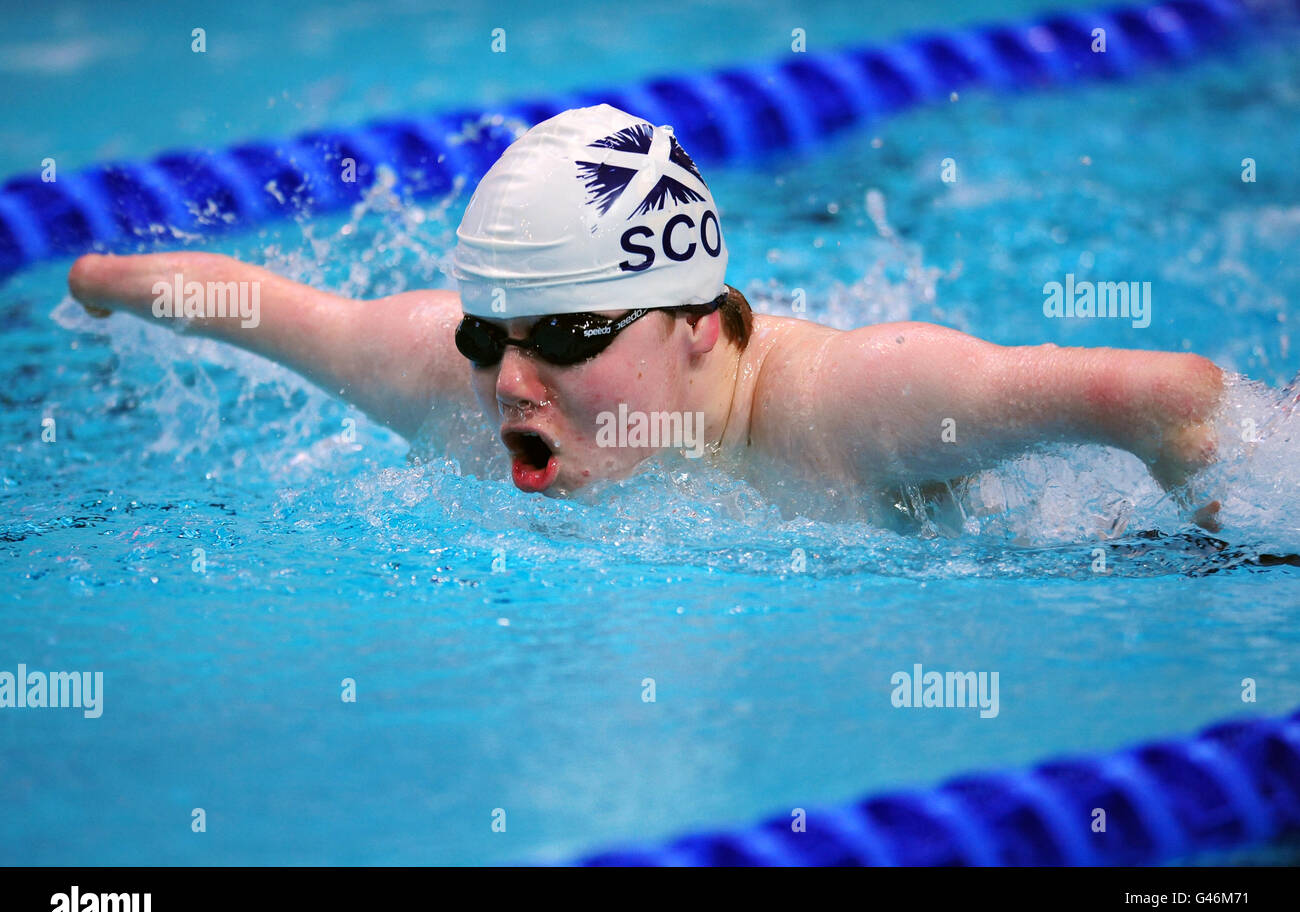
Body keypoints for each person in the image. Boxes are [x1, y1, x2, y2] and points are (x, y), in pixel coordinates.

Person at [66, 104, 1225, 527]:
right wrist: (100, 284)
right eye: (490, 334)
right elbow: (268, 309)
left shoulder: (858, 404)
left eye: (569, 335)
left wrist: (1227, 541)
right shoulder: (450, 381)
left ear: (704, 326)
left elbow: (1160, 392)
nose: (510, 379)